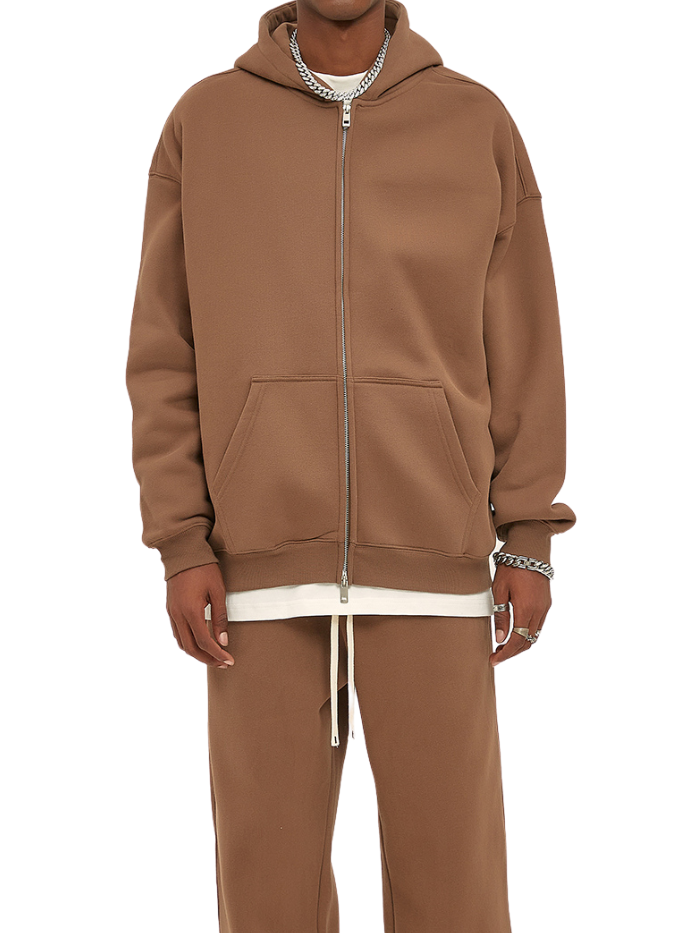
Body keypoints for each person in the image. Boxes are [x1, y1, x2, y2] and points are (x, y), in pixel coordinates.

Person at [126, 0, 577, 929]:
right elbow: (165, 349)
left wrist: (528, 532)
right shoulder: (206, 123)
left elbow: (524, 339)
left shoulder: (475, 123)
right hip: (255, 577)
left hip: (435, 565)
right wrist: (181, 539)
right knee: (267, 901)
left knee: (456, 898)